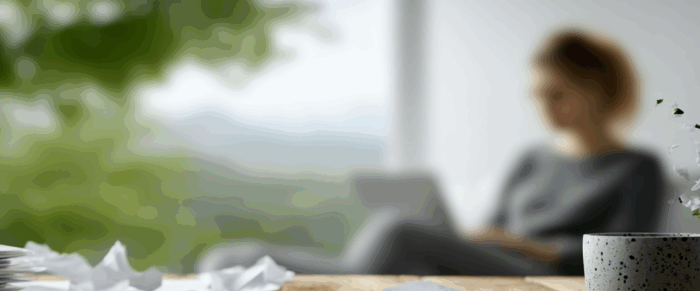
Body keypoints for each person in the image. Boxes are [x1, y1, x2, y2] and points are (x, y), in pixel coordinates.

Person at [199, 28, 665, 276]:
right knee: (230, 257)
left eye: (558, 94)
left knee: (396, 230)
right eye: (539, 95)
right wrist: (482, 238)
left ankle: (309, 279)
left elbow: (624, 259)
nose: (545, 107)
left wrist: (524, 245)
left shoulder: (636, 168)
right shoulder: (533, 159)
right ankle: (251, 260)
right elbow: (492, 225)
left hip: (547, 280)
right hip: (493, 263)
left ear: (598, 90)